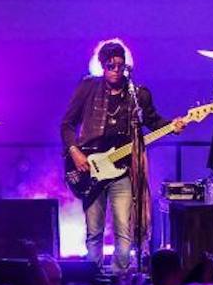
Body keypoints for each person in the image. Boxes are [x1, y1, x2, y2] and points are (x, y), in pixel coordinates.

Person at [60, 39, 183, 271]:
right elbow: (66, 124)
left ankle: (121, 279)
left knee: (124, 232)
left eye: (120, 66)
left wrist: (172, 125)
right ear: (102, 65)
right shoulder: (88, 87)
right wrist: (75, 152)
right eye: (110, 66)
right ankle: (92, 280)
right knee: (94, 232)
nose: (116, 71)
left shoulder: (137, 94)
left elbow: (153, 121)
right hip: (90, 165)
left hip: (122, 170)